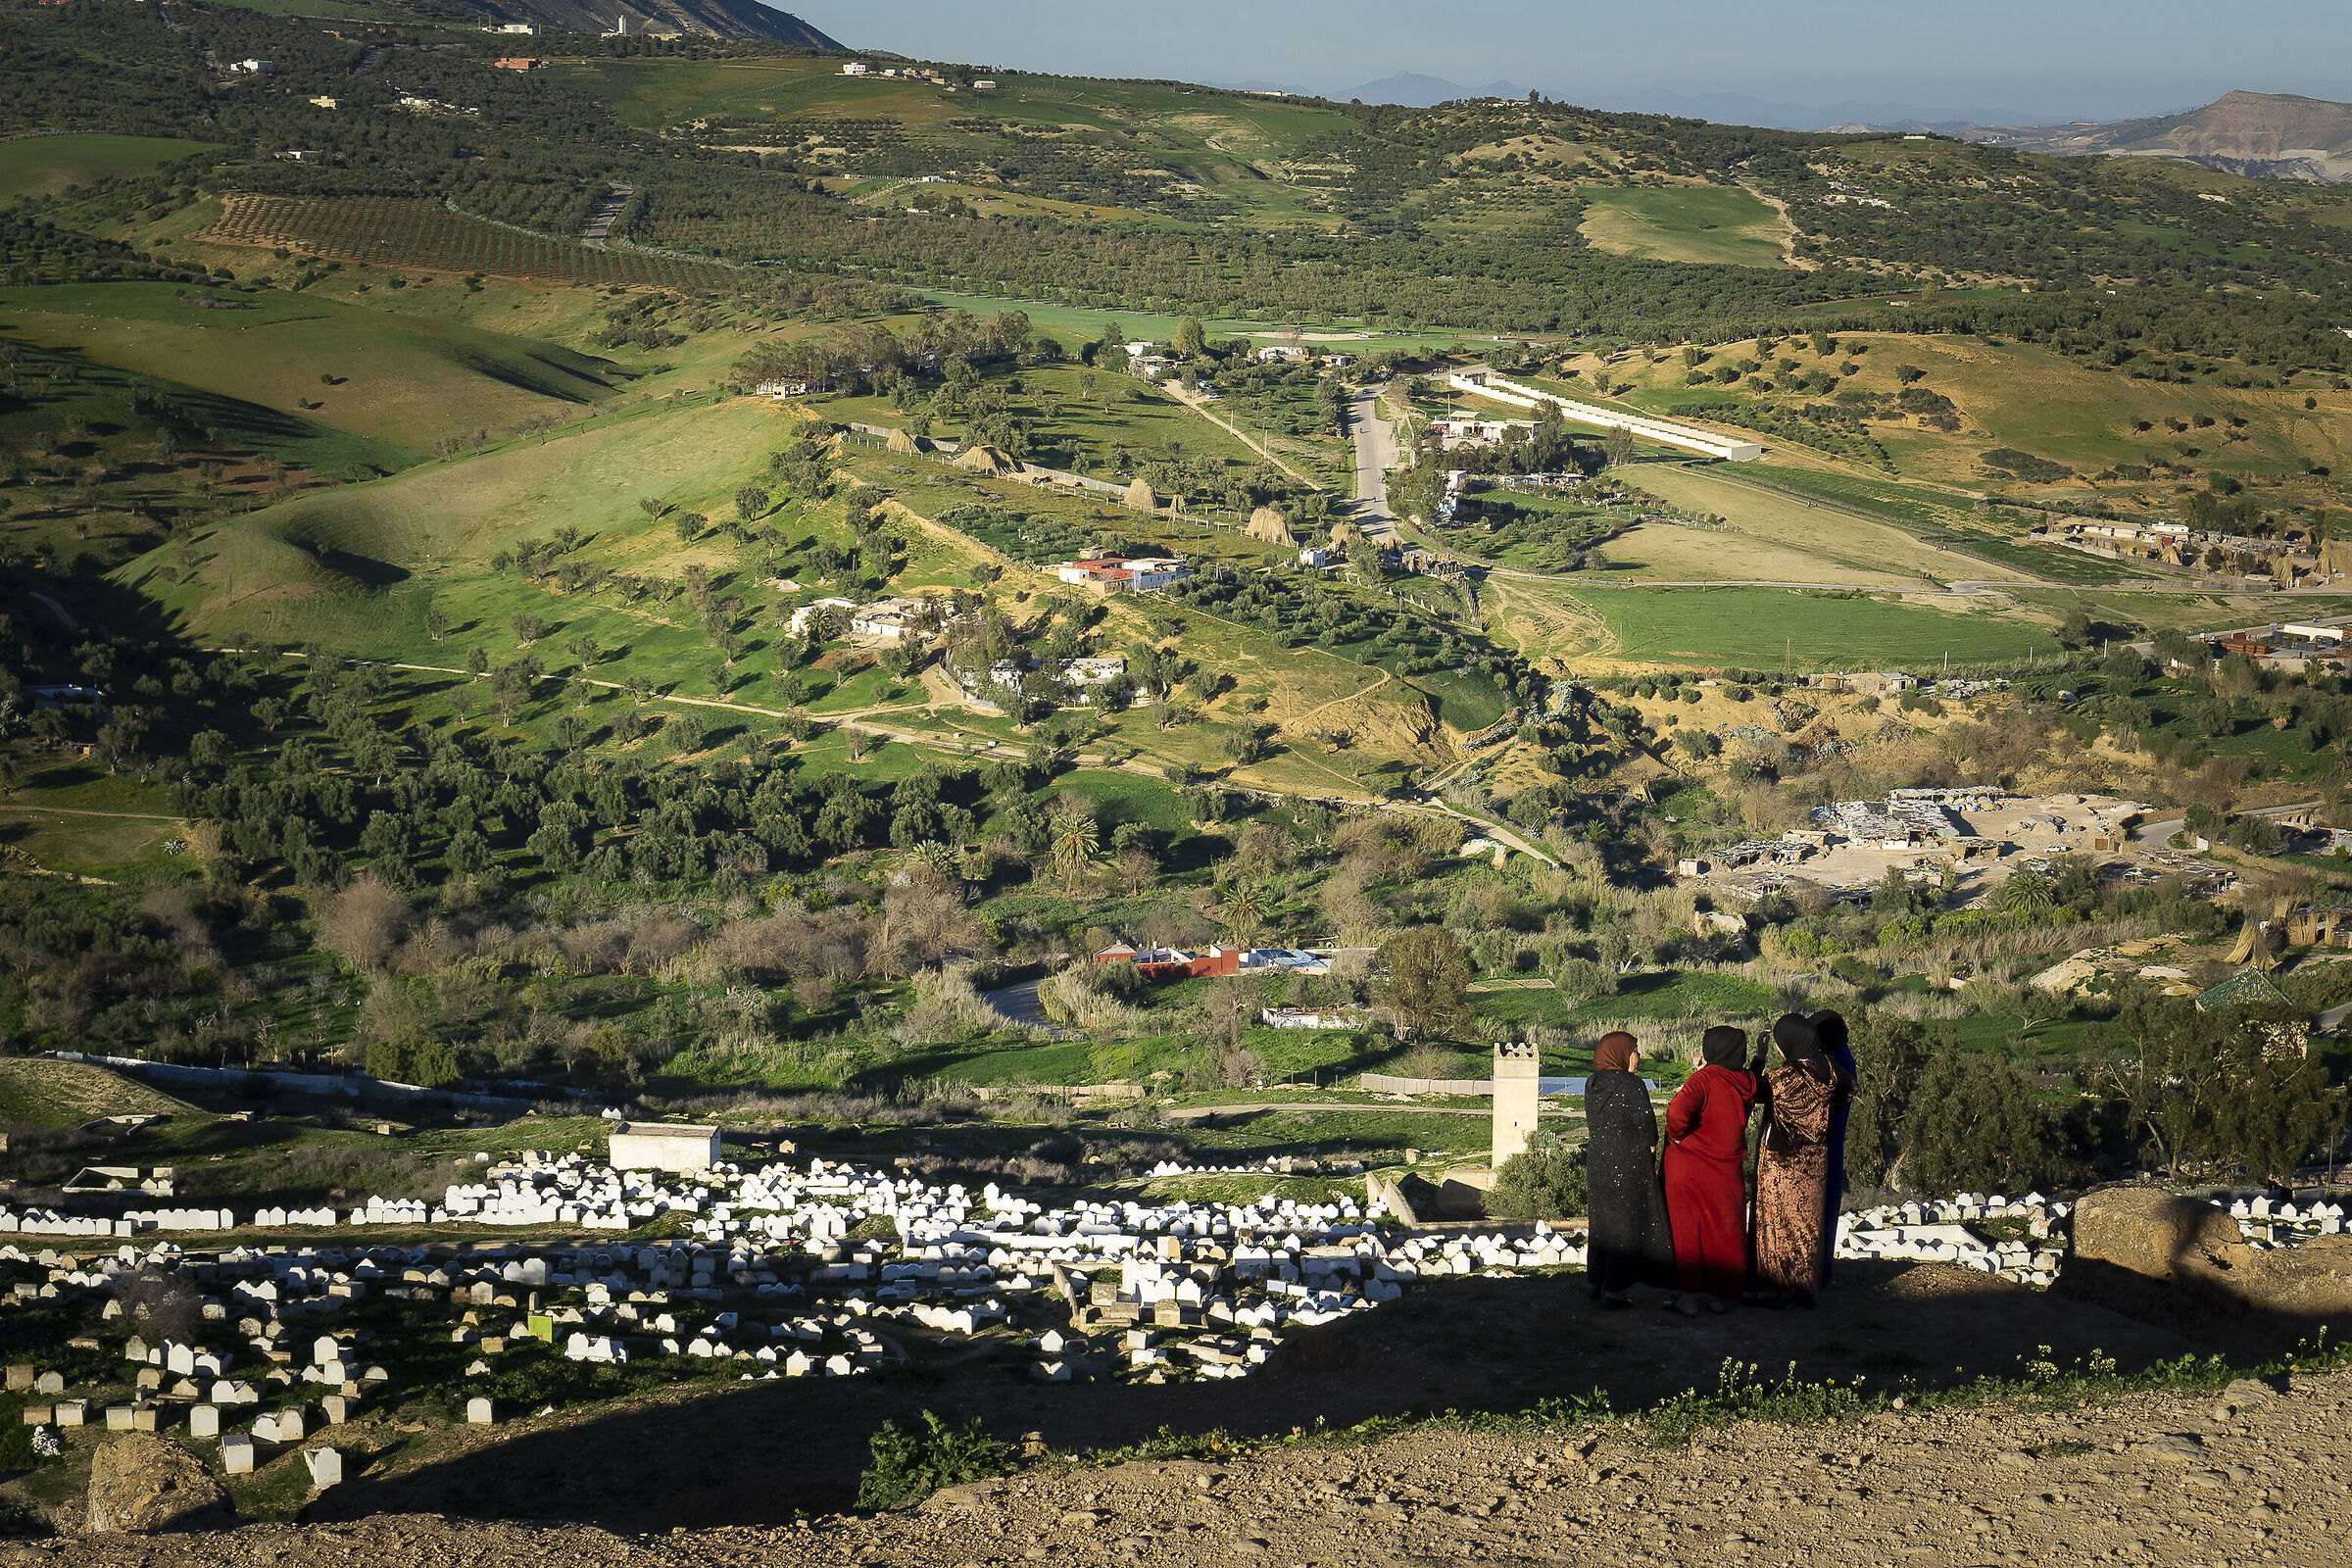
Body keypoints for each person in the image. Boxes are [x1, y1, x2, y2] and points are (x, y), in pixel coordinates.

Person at [1660, 1024, 1759, 1316]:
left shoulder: (1703, 1080)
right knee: (1724, 1230)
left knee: (1689, 1232)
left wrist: (1677, 1135)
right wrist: (1761, 1058)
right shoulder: (1746, 1081)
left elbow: (1676, 1113)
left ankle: (1689, 1299)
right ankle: (1719, 1295)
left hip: (1691, 1168)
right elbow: (1752, 1084)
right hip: (1727, 1170)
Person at [1752, 1012, 1838, 1307]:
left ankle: (1776, 1289)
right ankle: (1804, 1289)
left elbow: (1751, 1091)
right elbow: (1849, 1088)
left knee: (1778, 1225)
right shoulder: (1829, 1068)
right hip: (1815, 1160)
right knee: (1807, 1226)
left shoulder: (1783, 1078)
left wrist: (1759, 1058)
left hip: (1782, 1162)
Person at [1582, 1030, 1672, 1310]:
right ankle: (1615, 1291)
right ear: (1620, 1053)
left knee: (1602, 1225)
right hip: (1628, 1162)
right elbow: (1645, 1122)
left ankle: (1595, 1281)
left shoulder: (1591, 1083)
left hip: (1598, 1163)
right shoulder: (1632, 1084)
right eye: (1634, 1050)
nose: (1638, 1056)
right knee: (1624, 1226)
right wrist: (1652, 1145)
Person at [1811, 1009, 1860, 1287]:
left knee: (1819, 1210)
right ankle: (1822, 1271)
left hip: (1822, 1147)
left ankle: (1815, 1273)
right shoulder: (1840, 1057)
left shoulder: (1833, 1065)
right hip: (1832, 1147)